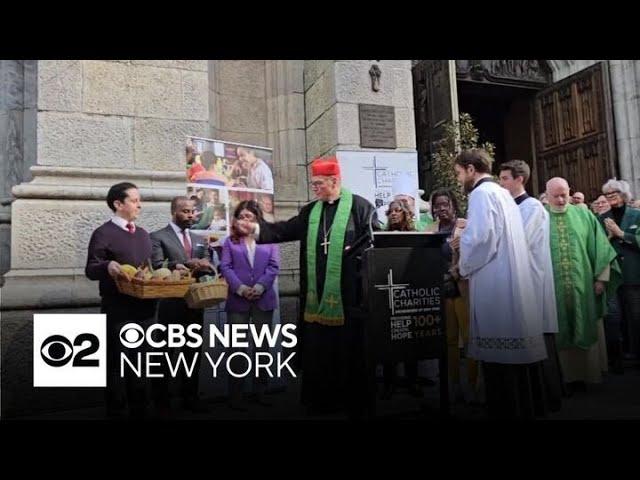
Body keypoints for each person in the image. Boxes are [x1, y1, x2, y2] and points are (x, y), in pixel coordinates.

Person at [234, 155, 378, 418]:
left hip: (348, 297)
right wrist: (255, 229)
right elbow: (284, 231)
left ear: (334, 181)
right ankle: (320, 401)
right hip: (315, 294)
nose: (314, 188)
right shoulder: (310, 212)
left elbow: (373, 241)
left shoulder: (360, 207)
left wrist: (352, 253)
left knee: (348, 350)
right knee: (318, 352)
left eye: (318, 183)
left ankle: (351, 401)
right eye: (313, 183)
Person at [453, 149, 547, 419]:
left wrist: (462, 258)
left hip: (496, 281)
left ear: (471, 169)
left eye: (459, 173)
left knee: (501, 355)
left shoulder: (482, 194)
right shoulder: (502, 193)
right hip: (511, 277)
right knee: (515, 354)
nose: (460, 180)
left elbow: (483, 238)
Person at [85, 182, 157, 419]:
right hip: (118, 311)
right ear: (118, 204)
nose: (140, 205)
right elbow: (91, 269)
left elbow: (149, 269)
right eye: (135, 200)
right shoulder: (103, 233)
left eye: (139, 200)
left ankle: (141, 412)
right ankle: (117, 413)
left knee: (142, 367)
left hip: (146, 311)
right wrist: (108, 266)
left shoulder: (144, 234)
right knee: (117, 366)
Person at [545, 177, 621, 393]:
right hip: (553, 290)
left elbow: (601, 247)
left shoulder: (583, 214)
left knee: (583, 324)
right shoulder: (540, 217)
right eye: (556, 196)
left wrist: (601, 279)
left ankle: (586, 375)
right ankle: (564, 379)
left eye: (564, 195)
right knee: (559, 329)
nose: (561, 200)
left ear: (570, 192)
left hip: (584, 286)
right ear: (546, 195)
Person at [499, 160, 563, 412]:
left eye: (504, 178)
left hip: (533, 282)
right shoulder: (509, 206)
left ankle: (545, 399)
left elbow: (519, 241)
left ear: (519, 179)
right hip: (517, 281)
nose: (501, 183)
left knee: (539, 341)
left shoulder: (532, 207)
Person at [150, 196, 215, 415]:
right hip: (169, 305)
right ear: (174, 212)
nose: (191, 215)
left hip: (195, 303)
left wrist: (206, 265)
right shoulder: (158, 237)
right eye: (186, 211)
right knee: (166, 354)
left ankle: (190, 398)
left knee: (192, 353)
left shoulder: (198, 238)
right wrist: (185, 264)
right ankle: (162, 401)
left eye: (193, 211)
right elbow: (157, 265)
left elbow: (206, 260)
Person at [220, 201, 280, 410]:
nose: (246, 220)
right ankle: (235, 395)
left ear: (257, 219)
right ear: (236, 219)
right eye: (242, 216)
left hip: (263, 300)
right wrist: (241, 288)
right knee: (236, 349)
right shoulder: (230, 242)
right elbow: (225, 267)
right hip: (238, 300)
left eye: (250, 217)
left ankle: (260, 391)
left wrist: (261, 287)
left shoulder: (268, 240)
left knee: (262, 348)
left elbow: (274, 267)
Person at [427, 188, 478, 404]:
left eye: (444, 205)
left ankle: (474, 386)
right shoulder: (429, 230)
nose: (441, 209)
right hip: (442, 290)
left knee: (469, 339)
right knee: (449, 340)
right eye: (437, 206)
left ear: (453, 205)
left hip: (463, 289)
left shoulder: (464, 226)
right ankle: (454, 384)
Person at [379, 199, 423, 400]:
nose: (394, 214)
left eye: (398, 211)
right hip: (388, 294)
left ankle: (412, 380)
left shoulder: (414, 236)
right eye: (391, 211)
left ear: (406, 214)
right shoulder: (381, 237)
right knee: (389, 342)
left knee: (410, 341)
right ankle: (390, 382)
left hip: (408, 295)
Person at [600, 178, 640, 365]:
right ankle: (617, 358)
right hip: (612, 275)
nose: (609, 198)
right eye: (607, 195)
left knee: (636, 316)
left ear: (623, 195)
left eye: (613, 194)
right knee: (614, 317)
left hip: (633, 275)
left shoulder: (636, 214)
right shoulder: (602, 218)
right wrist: (608, 238)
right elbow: (597, 247)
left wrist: (622, 234)